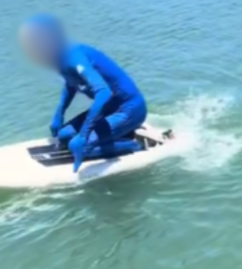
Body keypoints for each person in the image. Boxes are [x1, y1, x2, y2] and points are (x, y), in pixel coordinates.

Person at [18, 14, 147, 171]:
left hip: (129, 109)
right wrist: (60, 112)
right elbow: (72, 82)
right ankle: (115, 134)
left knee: (79, 145)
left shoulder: (75, 57)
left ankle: (134, 145)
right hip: (108, 108)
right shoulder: (58, 58)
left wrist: (84, 134)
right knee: (64, 136)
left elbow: (103, 92)